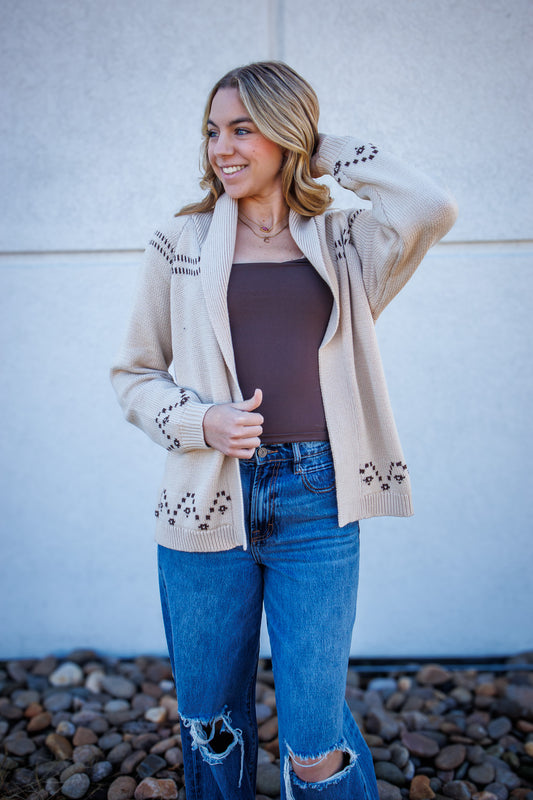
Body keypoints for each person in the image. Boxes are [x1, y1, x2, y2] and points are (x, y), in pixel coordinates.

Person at [111, 60, 457, 800]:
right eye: (212, 131)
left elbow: (428, 205)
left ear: (286, 134)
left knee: (313, 745)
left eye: (244, 129)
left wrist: (316, 145)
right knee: (209, 728)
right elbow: (133, 374)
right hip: (205, 500)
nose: (221, 148)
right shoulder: (180, 240)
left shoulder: (344, 242)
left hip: (317, 496)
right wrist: (201, 420)